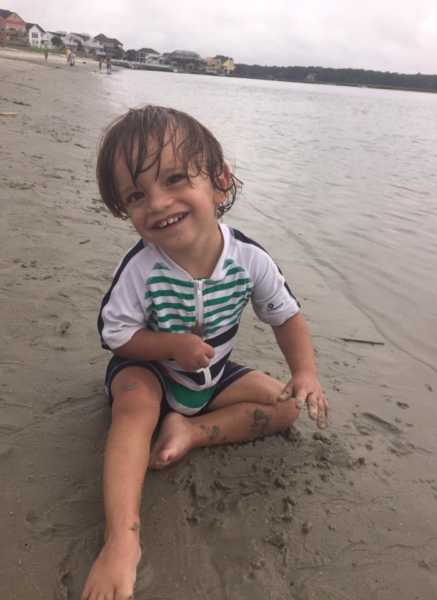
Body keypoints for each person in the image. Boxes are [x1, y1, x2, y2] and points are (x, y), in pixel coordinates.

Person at [81, 105, 329, 600]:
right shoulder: (141, 268)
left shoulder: (249, 260)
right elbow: (116, 334)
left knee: (284, 407)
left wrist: (305, 372)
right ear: (125, 211)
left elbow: (285, 316)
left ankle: (191, 433)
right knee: (134, 409)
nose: (157, 203)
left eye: (175, 178)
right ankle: (121, 542)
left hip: (212, 375)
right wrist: (171, 346)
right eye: (137, 195)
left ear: (219, 182)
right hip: (147, 369)